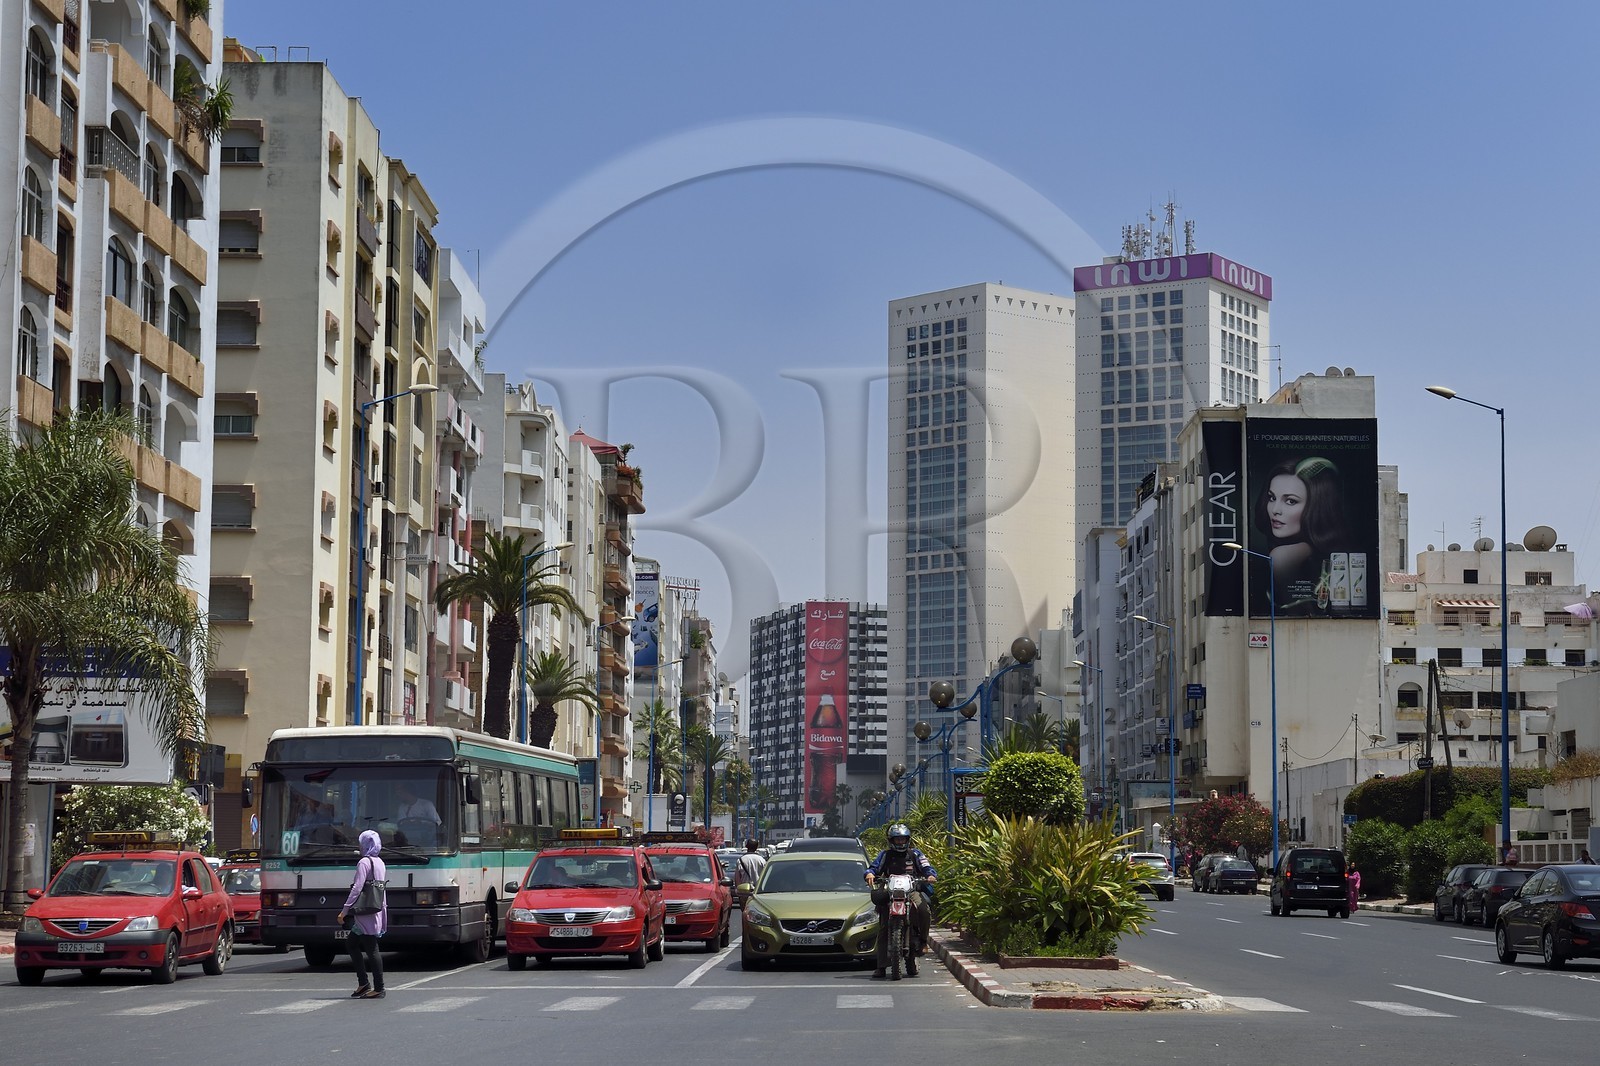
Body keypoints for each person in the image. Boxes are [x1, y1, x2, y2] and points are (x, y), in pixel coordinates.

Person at [1251, 456, 1349, 614]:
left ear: (1317, 506)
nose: (1275, 510)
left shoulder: (1282, 556)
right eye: (1272, 498)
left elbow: (1297, 614)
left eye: (1290, 501)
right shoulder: (1328, 553)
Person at [864, 824, 937, 980]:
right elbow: (873, 868)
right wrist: (869, 874)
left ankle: (923, 942)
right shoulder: (885, 855)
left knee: (924, 910)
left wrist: (930, 875)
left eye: (903, 839)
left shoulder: (915, 854)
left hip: (911, 891)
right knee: (884, 925)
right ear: (891, 840)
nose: (900, 842)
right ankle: (881, 966)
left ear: (907, 840)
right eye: (897, 839)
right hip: (890, 892)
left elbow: (927, 867)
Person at [338, 830, 388, 999]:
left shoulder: (364, 862)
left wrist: (344, 910)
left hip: (365, 912)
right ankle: (364, 983)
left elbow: (357, 888)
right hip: (375, 909)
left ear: (366, 845)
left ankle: (379, 988)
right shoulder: (380, 862)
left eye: (361, 843)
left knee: (371, 948)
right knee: (351, 944)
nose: (359, 846)